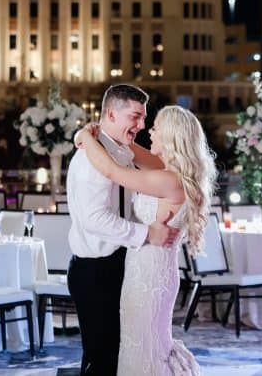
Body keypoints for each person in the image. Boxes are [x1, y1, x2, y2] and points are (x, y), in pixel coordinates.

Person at [75, 104, 217, 376]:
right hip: (150, 271)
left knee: (144, 350)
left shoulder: (169, 180)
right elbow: (127, 151)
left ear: (171, 137)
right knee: (146, 346)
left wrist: (86, 138)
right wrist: (105, 133)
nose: (148, 132)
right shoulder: (169, 171)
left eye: (155, 128)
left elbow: (113, 172)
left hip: (149, 279)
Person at [66, 84, 180, 376]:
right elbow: (94, 219)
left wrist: (85, 136)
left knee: (118, 354)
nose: (141, 125)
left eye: (144, 119)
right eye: (135, 116)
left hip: (121, 266)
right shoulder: (92, 157)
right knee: (102, 357)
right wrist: (145, 234)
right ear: (111, 114)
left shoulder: (119, 152)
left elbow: (121, 176)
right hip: (95, 271)